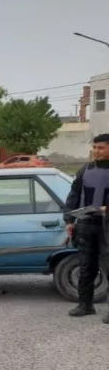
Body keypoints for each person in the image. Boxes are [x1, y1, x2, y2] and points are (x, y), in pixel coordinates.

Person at [64, 133, 109, 319]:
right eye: (95, 148)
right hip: (86, 225)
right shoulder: (85, 170)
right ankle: (85, 305)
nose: (96, 151)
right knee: (85, 267)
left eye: (101, 148)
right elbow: (73, 195)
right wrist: (69, 220)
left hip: (107, 227)